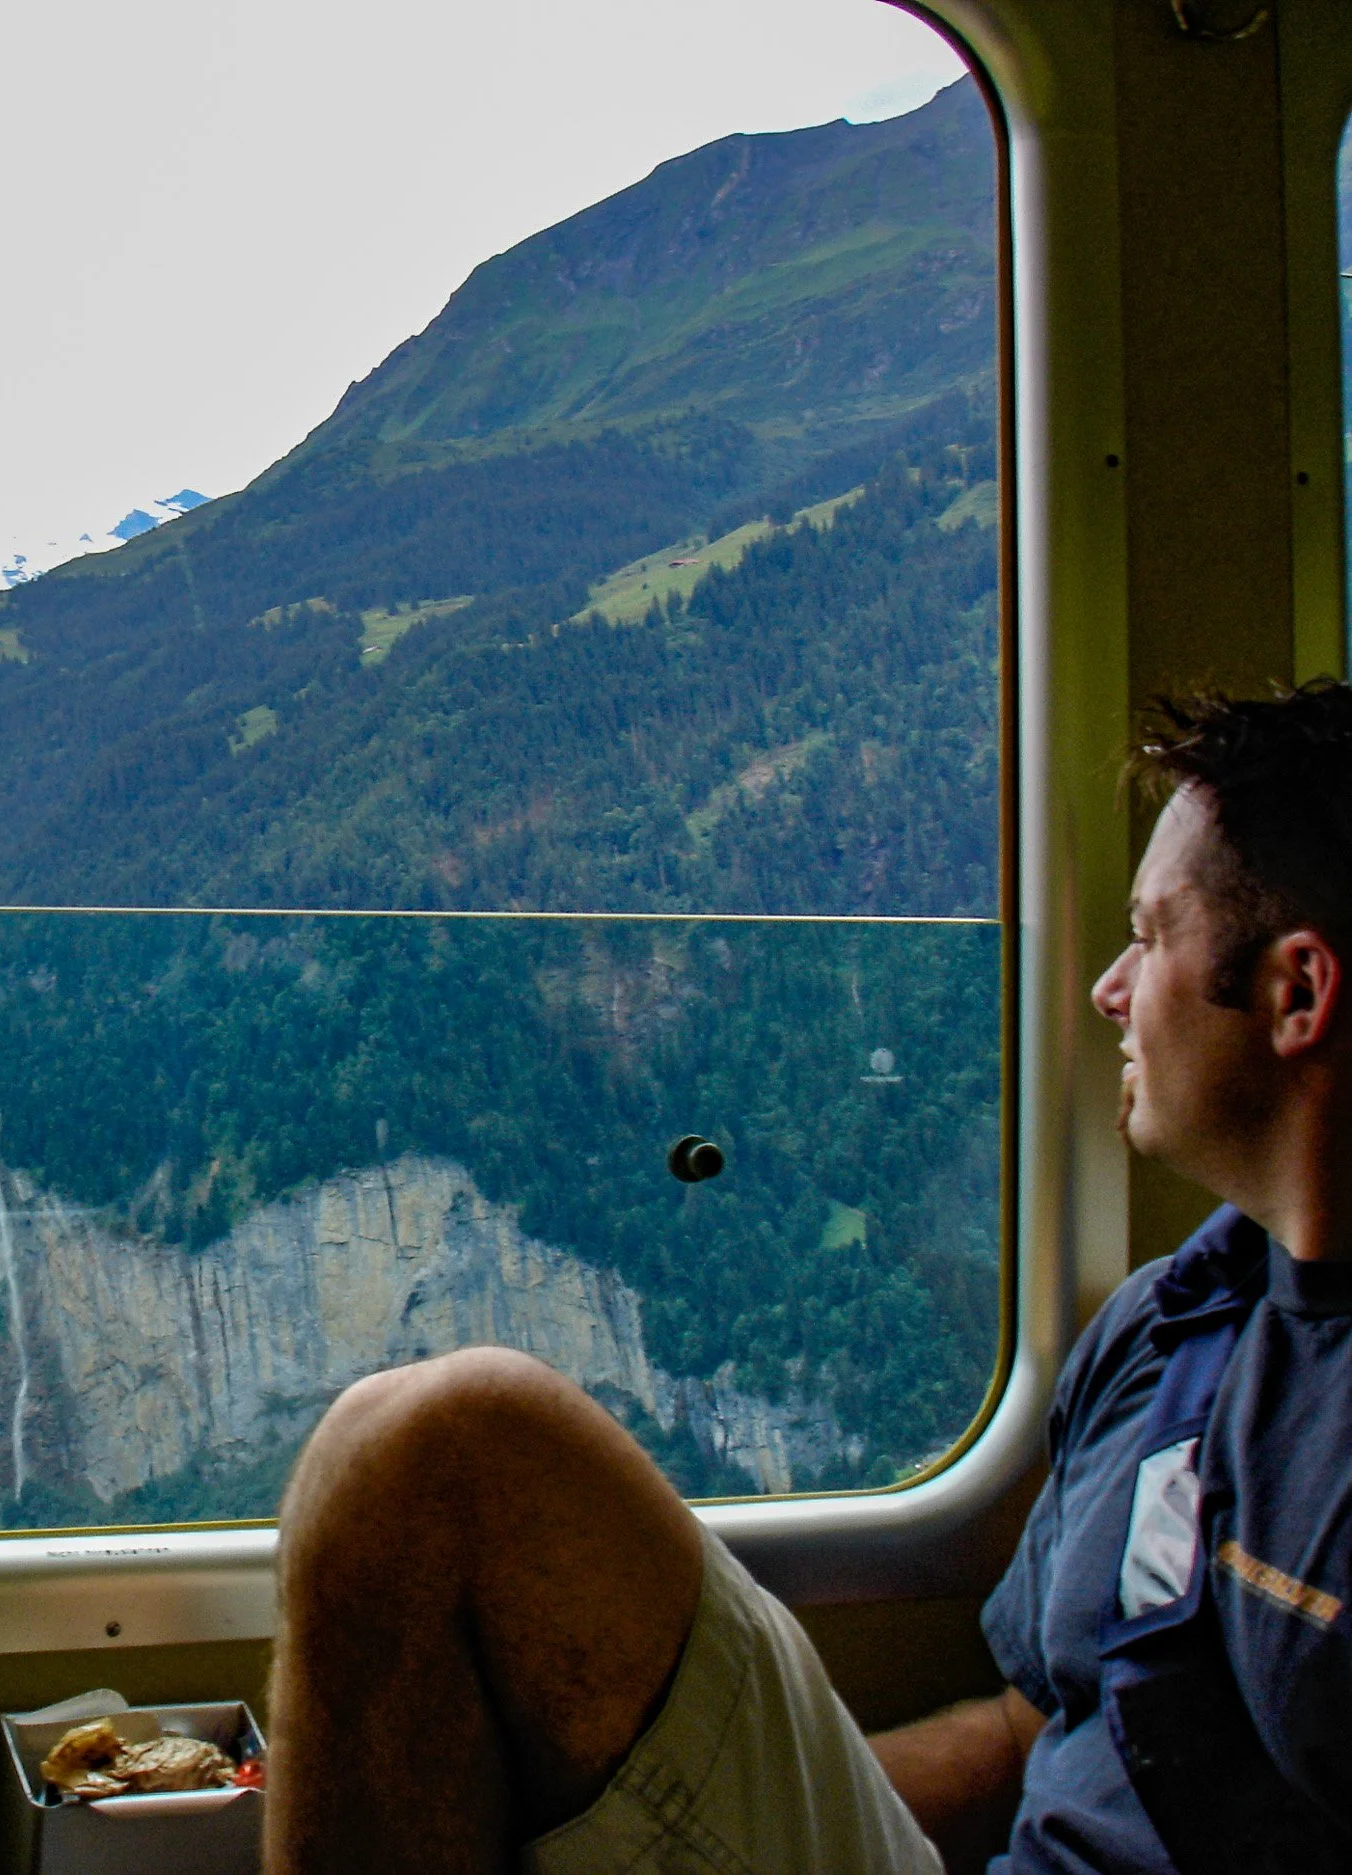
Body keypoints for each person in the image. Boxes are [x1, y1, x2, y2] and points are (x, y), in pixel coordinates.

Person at [265, 681, 1352, 1875]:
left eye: (1147, 938)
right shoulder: (1168, 1328)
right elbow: (1026, 1736)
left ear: (1294, 994)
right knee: (412, 1453)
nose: (1106, 990)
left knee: (442, 1432)